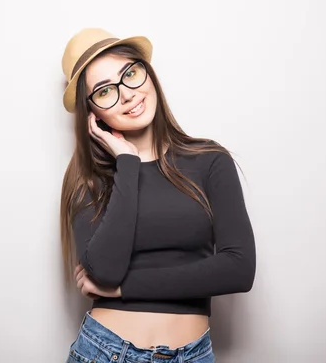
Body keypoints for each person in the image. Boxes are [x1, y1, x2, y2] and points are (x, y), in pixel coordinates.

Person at [59, 28, 256, 363]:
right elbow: (104, 271)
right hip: (106, 352)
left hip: (193, 355)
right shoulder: (87, 180)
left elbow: (239, 269)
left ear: (148, 73)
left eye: (130, 74)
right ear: (92, 114)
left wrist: (125, 289)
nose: (127, 94)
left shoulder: (210, 161)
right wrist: (128, 163)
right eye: (105, 91)